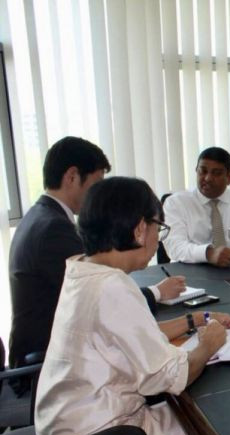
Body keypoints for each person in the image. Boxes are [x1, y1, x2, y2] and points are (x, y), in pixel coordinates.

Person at [35, 177, 230, 435]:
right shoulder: (113, 287)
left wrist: (195, 320)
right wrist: (209, 343)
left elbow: (129, 338)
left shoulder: (84, 269)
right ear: (141, 229)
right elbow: (170, 377)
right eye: (160, 227)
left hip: (65, 433)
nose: (159, 237)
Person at [8, 136, 185, 377]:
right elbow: (99, 297)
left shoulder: (40, 216)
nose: (100, 194)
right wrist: (156, 293)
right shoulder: (53, 229)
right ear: (72, 176)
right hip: (49, 361)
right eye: (97, 183)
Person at [164, 146, 230, 267]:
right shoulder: (176, 203)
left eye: (216, 173)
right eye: (203, 171)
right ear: (196, 171)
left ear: (229, 177)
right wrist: (208, 254)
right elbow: (175, 247)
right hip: (189, 274)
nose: (208, 178)